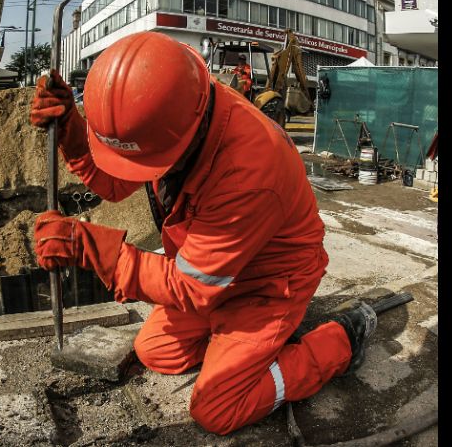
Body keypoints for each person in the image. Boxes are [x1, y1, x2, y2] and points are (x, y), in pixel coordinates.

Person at [29, 32, 377, 435]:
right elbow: (118, 182)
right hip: (216, 271)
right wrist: (73, 132)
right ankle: (248, 344)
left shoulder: (248, 167)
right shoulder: (180, 113)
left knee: (218, 408)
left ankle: (340, 342)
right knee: (155, 352)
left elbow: (193, 287)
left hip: (269, 282)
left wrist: (99, 252)